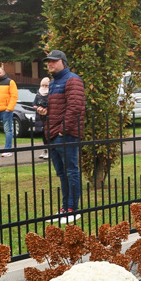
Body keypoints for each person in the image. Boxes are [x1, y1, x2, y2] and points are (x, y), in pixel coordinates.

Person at [37, 50, 85, 222]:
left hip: (66, 135)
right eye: (48, 61)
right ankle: (65, 208)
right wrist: (44, 113)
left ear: (63, 62)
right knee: (62, 174)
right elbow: (56, 109)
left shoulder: (72, 79)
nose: (50, 64)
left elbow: (75, 108)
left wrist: (62, 131)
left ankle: (73, 208)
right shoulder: (54, 82)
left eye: (54, 61)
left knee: (71, 171)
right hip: (53, 134)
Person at [33, 77, 50, 160]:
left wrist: (46, 107)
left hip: (47, 117)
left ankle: (49, 150)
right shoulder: (38, 94)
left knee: (48, 134)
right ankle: (45, 149)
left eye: (46, 85)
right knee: (42, 134)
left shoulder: (50, 94)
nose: (44, 87)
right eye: (42, 85)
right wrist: (37, 107)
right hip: (39, 117)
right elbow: (34, 103)